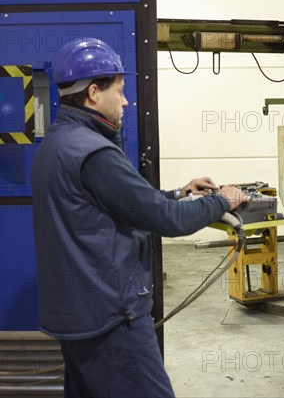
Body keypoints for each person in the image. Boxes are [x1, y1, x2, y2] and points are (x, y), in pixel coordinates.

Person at [31, 38, 248, 397]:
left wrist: (180, 193)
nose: (127, 101)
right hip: (111, 320)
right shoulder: (95, 153)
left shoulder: (57, 144)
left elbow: (120, 205)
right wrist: (221, 201)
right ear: (94, 93)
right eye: (120, 91)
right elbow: (166, 220)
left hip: (78, 315)